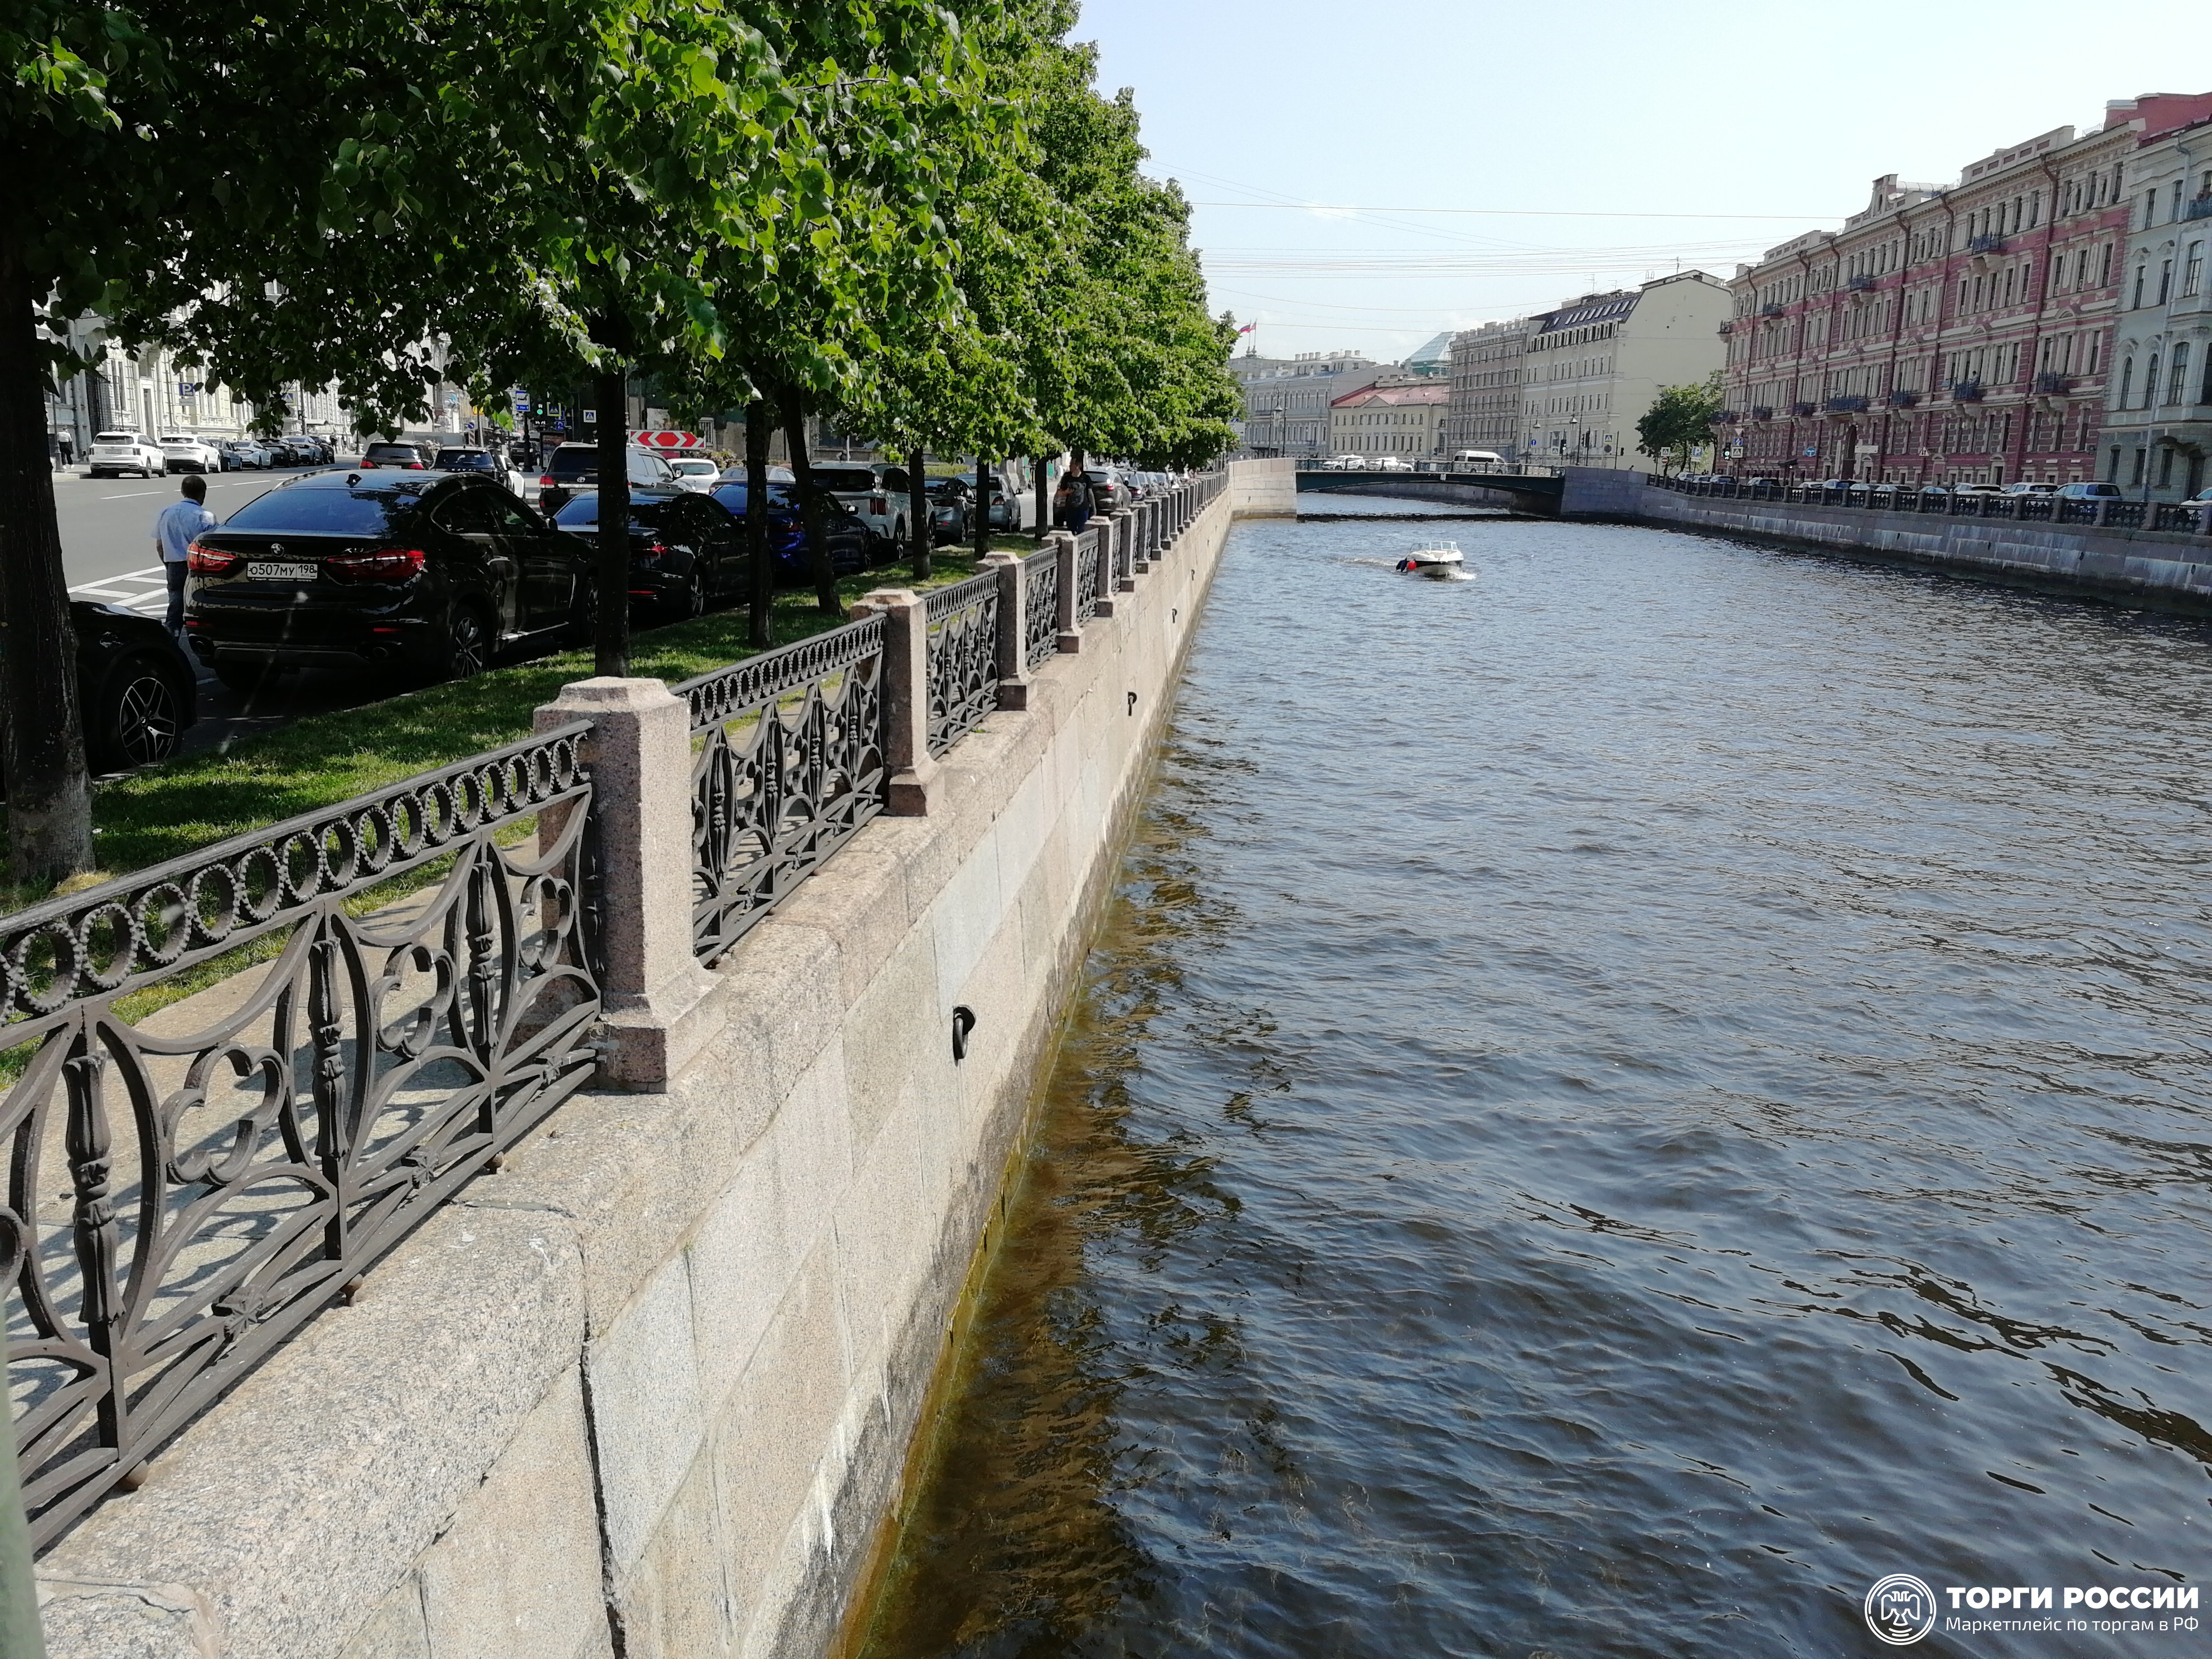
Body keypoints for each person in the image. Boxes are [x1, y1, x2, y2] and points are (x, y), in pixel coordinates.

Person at [153, 473, 215, 634]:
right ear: (203, 493)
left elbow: (160, 545)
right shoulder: (205, 517)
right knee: (200, 604)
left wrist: (168, 564)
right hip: (197, 569)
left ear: (183, 491)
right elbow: (213, 547)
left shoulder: (166, 512)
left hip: (174, 566)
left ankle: (172, 637)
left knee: (175, 603)